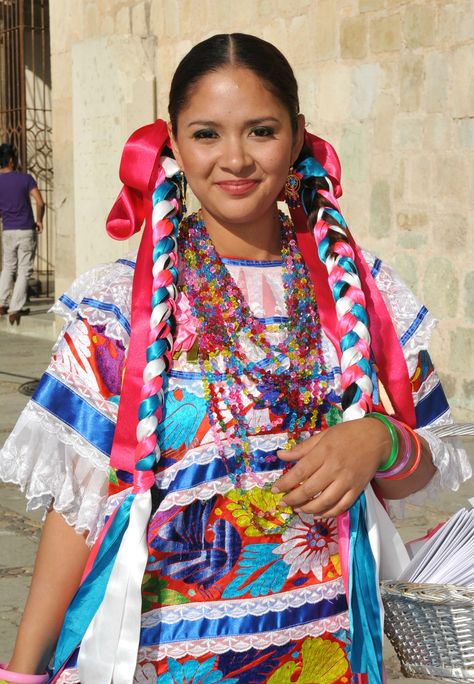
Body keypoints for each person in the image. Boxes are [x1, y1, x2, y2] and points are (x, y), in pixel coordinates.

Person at [0, 33, 470, 684]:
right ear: (172, 143)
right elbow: (76, 509)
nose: (236, 158)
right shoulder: (119, 309)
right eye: (207, 134)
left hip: (324, 652)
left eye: (261, 131)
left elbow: (433, 456)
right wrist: (23, 672)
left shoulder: (361, 294)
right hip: (163, 657)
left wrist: (379, 439)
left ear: (298, 136)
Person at [0, 144, 45, 325]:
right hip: (26, 229)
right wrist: (40, 220)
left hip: (8, 229)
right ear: (12, 160)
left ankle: (1, 302)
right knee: (24, 270)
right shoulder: (25, 179)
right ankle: (15, 308)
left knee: (8, 267)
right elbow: (40, 202)